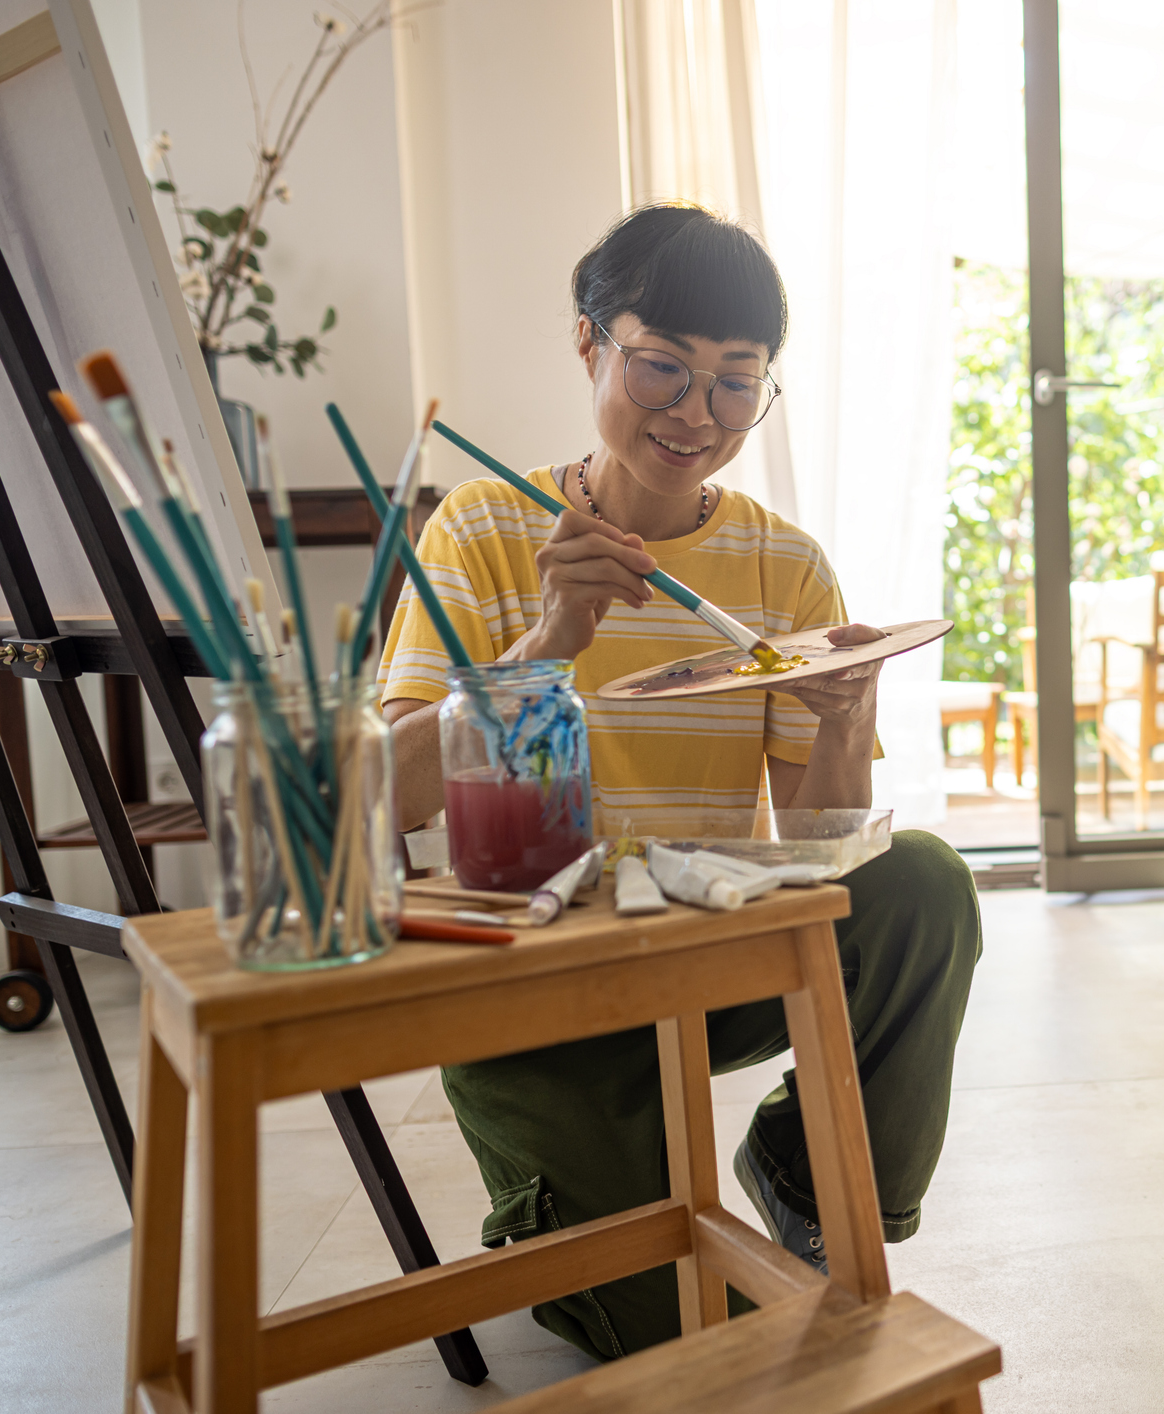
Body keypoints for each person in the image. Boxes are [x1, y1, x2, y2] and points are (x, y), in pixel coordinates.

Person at [375, 202, 981, 1361]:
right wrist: (549, 639)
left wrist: (846, 720)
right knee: (710, 1345)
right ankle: (572, 1217)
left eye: (735, 384)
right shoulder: (483, 531)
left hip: (705, 956)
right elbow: (393, 798)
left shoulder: (784, 564)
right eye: (660, 368)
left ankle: (802, 1170)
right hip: (531, 991)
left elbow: (820, 843)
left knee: (920, 884)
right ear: (590, 343)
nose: (694, 415)